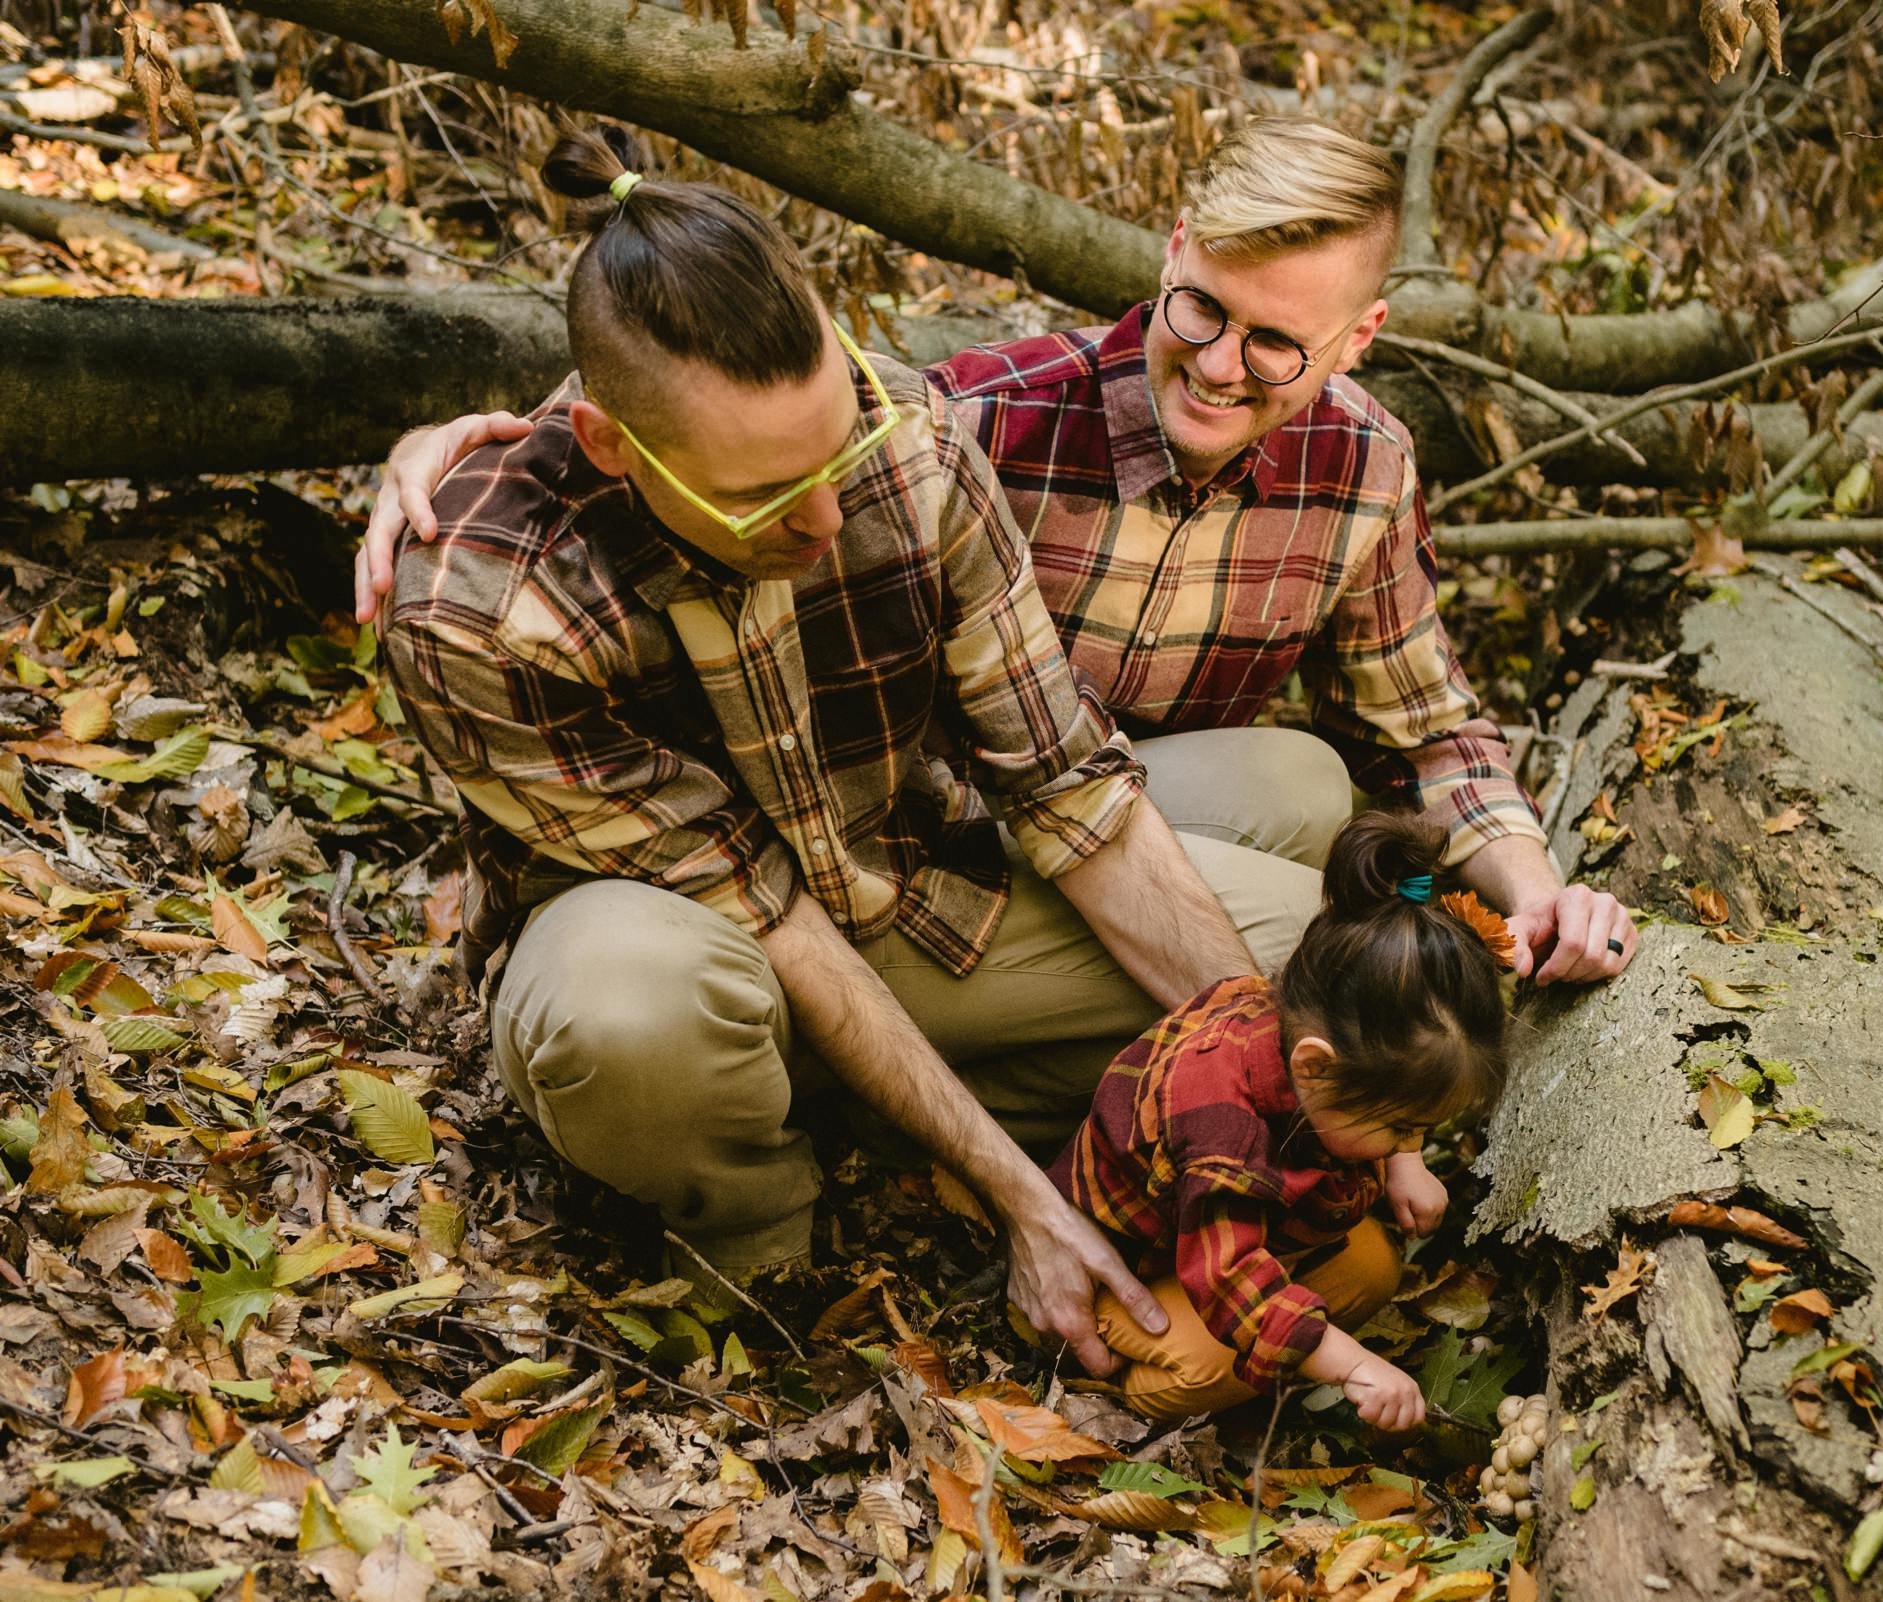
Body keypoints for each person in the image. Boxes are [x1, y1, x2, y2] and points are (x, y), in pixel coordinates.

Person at [381, 125, 1339, 1377]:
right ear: (616, 446)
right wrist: (1024, 1208)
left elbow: (1063, 783)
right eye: (772, 503)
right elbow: (762, 911)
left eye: (840, 452)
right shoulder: (484, 612)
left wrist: (1273, 1100)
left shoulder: (911, 439)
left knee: (1308, 963)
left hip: (906, 884)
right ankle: (764, 1228)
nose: (832, 516)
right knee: (627, 1024)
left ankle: (922, 1116)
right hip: (683, 944)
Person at [354, 116, 1643, 992]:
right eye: (1204, 309)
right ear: (1176, 246)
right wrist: (474, 453)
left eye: (1275, 345)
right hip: (913, 815)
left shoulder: (1366, 468)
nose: (1215, 364)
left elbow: (1428, 726)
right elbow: (727, 411)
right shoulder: (991, 412)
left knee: (1309, 780)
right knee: (1303, 927)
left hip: (1097, 803)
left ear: (1356, 341)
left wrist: (1534, 889)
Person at [1047, 811, 1514, 1426]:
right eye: (1400, 1127)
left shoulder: (1301, 1018)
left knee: (1373, 1265)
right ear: (1317, 1068)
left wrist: (1403, 1160)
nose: (1411, 1141)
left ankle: (1289, 1340)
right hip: (1134, 1266)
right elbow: (1228, 1274)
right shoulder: (1223, 1133)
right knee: (1207, 1364)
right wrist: (1351, 1364)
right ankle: (1132, 1385)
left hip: (1237, 1221)